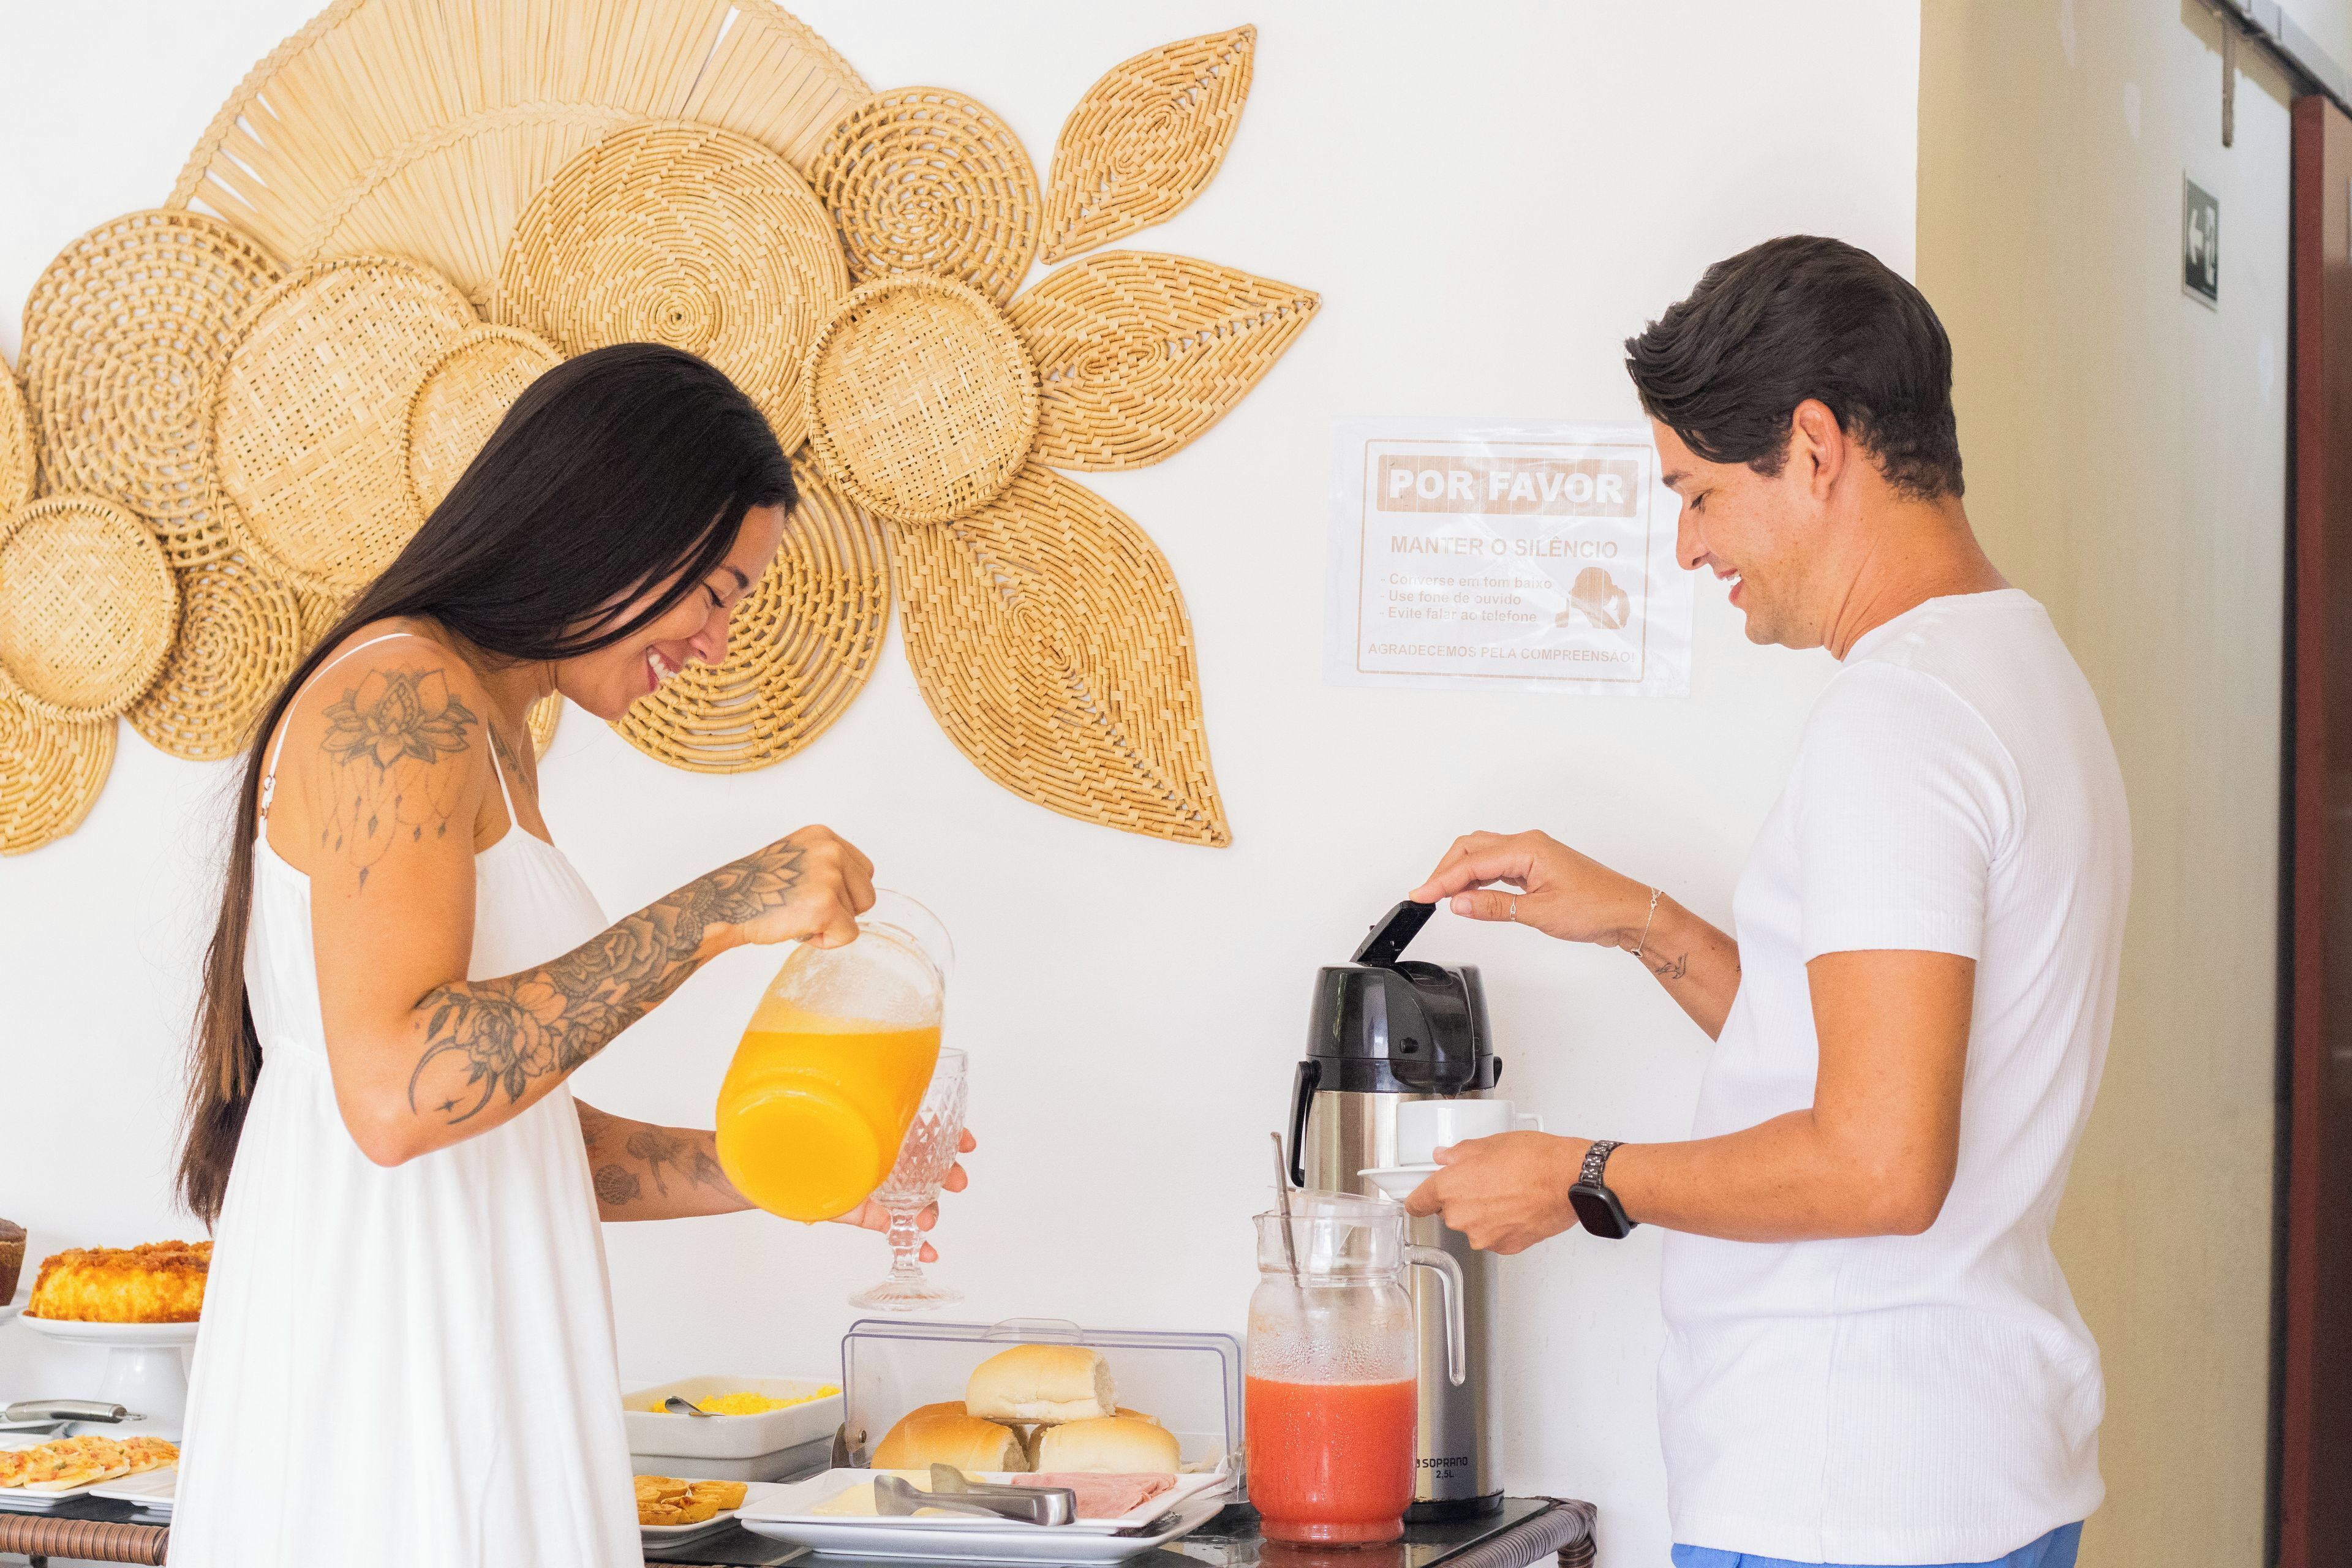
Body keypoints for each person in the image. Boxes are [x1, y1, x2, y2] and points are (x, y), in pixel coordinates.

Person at [168, 344, 972, 1568]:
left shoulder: (489, 727)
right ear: (619, 527)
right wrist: (713, 910)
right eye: (717, 593)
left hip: (482, 1337)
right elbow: (398, 1092)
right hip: (391, 1365)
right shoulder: (405, 702)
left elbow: (512, 1120)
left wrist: (779, 1169)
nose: (716, 643)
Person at [1405, 238, 2127, 1568]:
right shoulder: (2018, 672)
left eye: (1697, 494)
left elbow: (1879, 1161)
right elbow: (1877, 1059)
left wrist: (1583, 1175)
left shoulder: (1899, 721)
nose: (1688, 547)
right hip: (1959, 1469)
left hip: (1848, 1496)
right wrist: (1650, 925)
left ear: (1813, 447)